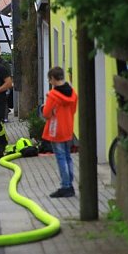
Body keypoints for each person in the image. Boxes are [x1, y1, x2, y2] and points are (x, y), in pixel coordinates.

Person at [42, 66, 79, 198]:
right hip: (68, 128)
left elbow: (46, 113)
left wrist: (52, 112)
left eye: (50, 79)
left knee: (61, 158)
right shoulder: (73, 93)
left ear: (53, 78)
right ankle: (70, 184)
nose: (50, 82)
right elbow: (73, 110)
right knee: (68, 157)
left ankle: (65, 186)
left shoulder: (53, 95)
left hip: (56, 129)